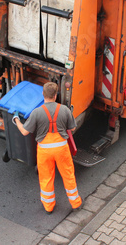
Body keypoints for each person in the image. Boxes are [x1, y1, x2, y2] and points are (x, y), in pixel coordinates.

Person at [13, 82, 82, 214]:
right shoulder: (64, 110)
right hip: (61, 149)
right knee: (68, 175)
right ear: (55, 96)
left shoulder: (37, 112)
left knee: (46, 177)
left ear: (43, 95)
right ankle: (75, 203)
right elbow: (72, 128)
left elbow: (25, 132)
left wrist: (16, 119)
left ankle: (49, 206)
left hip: (44, 150)